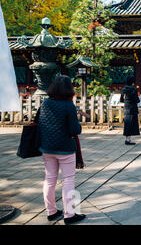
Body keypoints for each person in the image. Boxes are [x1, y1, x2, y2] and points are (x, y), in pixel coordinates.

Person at [38, 75, 86, 225]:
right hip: (65, 148)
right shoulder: (68, 105)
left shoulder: (45, 103)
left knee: (50, 179)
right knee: (68, 180)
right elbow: (74, 129)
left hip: (47, 147)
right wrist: (78, 123)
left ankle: (51, 212)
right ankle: (69, 215)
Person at [120, 76, 140, 145]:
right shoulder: (133, 90)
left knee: (127, 124)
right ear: (133, 82)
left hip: (126, 108)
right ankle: (128, 140)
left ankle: (127, 139)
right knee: (131, 124)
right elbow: (137, 100)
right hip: (132, 108)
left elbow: (121, 100)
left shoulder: (124, 89)